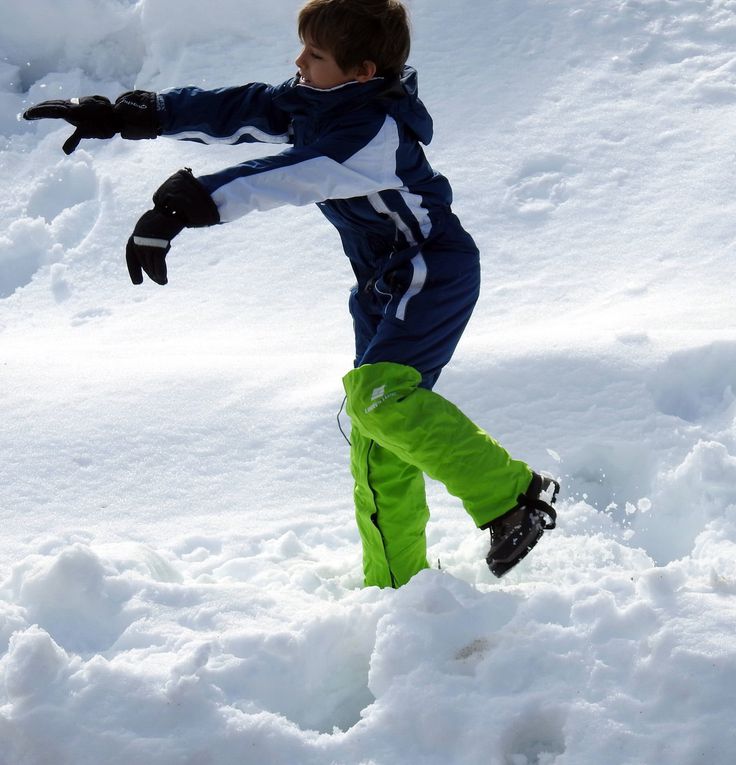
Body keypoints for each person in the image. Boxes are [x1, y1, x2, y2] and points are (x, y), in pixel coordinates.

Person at [22, 0, 558, 588]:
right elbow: (239, 109)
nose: (298, 61)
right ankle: (399, 589)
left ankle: (514, 495)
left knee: (379, 399)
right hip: (382, 283)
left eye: (315, 54)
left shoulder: (368, 135)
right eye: (302, 47)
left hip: (431, 270)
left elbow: (288, 177)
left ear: (363, 72)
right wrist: (127, 115)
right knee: (375, 431)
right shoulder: (321, 101)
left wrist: (183, 205)